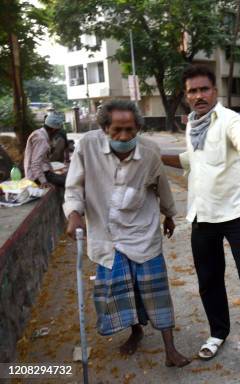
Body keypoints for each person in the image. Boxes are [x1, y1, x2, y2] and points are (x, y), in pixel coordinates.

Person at [161, 65, 240, 377]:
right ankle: (218, 332)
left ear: (215, 92)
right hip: (202, 214)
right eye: (193, 91)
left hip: (236, 214)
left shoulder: (229, 119)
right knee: (209, 280)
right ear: (187, 95)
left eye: (204, 89)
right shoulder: (193, 125)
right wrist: (155, 155)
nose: (199, 95)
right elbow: (192, 160)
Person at [64, 99, 190, 368]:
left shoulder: (149, 152)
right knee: (124, 292)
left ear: (138, 128)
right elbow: (74, 186)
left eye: (130, 130)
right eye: (117, 130)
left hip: (142, 233)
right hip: (107, 236)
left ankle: (170, 348)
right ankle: (136, 332)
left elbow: (162, 186)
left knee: (156, 291)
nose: (124, 137)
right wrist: (74, 213)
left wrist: (169, 215)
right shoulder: (87, 147)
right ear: (104, 129)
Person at [23, 111, 66, 188]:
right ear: (53, 129)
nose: (56, 134)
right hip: (37, 177)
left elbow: (43, 160)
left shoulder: (39, 133)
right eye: (57, 131)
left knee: (68, 179)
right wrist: (43, 181)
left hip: (43, 172)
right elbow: (35, 163)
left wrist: (51, 170)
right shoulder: (41, 139)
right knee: (69, 182)